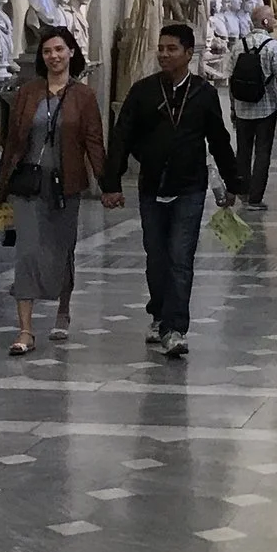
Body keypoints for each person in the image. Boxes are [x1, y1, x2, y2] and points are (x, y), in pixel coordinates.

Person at [101, 23, 241, 359]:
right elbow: (122, 137)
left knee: (181, 258)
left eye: (172, 49)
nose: (164, 54)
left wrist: (233, 182)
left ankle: (175, 328)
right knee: (157, 257)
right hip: (152, 185)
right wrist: (111, 182)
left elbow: (219, 140)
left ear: (189, 54)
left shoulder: (203, 94)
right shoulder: (144, 91)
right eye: (161, 48)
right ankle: (159, 312)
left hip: (190, 186)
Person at [0, 26, 105, 354]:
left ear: (71, 52)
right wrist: (1, 185)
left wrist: (108, 185)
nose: (54, 56)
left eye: (59, 50)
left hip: (65, 185)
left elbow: (93, 142)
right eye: (47, 52)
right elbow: (13, 140)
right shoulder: (29, 93)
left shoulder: (83, 96)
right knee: (27, 252)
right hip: (28, 184)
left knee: (61, 251)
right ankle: (25, 330)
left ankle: (63, 308)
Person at [225, 5, 277, 209]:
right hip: (266, 107)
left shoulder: (238, 46)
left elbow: (230, 77)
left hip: (242, 107)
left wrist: (233, 107)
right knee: (263, 152)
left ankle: (242, 191)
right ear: (265, 22)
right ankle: (255, 198)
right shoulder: (273, 46)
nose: (276, 21)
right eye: (273, 17)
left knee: (243, 150)